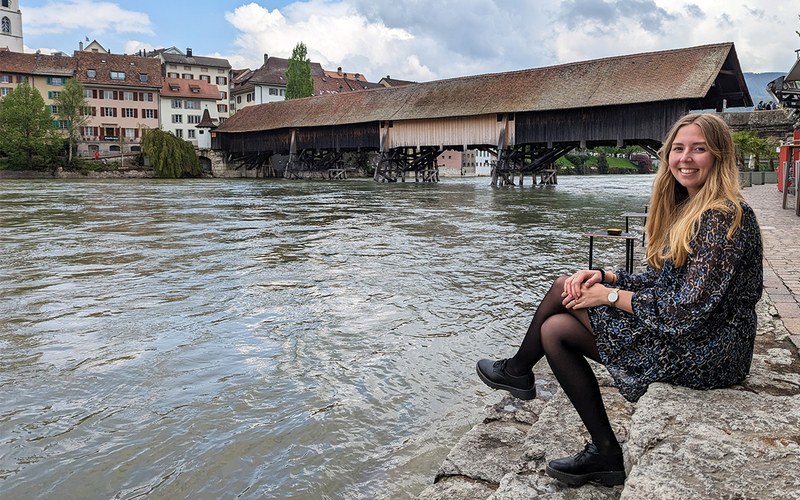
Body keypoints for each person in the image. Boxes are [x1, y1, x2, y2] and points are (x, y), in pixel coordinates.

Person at [476, 113, 763, 487]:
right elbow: (663, 282)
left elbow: (683, 312)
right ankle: (604, 451)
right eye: (678, 149)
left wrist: (608, 296)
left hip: (711, 350)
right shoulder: (689, 208)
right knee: (556, 328)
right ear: (667, 156)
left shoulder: (723, 218)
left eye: (699, 149)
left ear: (719, 157)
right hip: (698, 337)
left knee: (564, 292)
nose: (685, 158)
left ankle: (518, 372)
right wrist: (607, 276)